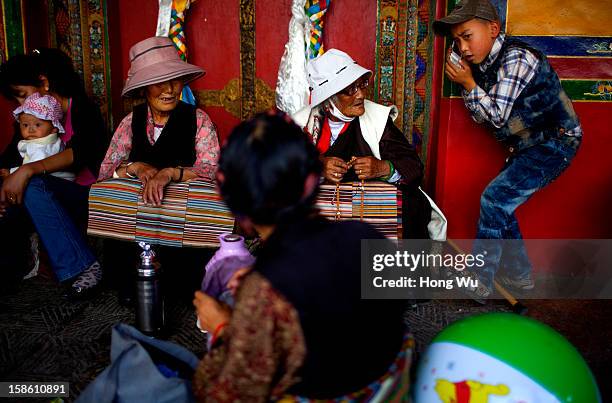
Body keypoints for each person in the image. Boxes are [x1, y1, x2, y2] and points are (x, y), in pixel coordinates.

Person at [192, 112, 411, 401]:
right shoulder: (369, 237)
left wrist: (223, 327)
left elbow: (227, 394)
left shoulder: (265, 292)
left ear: (239, 208)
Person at [433, 0, 582, 299]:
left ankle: (479, 281)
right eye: (456, 41)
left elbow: (497, 115)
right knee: (501, 205)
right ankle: (520, 277)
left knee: (494, 198)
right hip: (527, 144)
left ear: (493, 29)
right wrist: (470, 84)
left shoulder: (517, 58)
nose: (461, 48)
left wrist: (468, 83)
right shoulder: (479, 67)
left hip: (556, 141)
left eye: (467, 35)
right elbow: (484, 118)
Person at [97, 36, 219, 301]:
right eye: (159, 82)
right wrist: (134, 168)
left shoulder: (198, 120)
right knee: (131, 289)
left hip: (184, 229)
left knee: (185, 289)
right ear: (143, 88)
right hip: (138, 229)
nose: (170, 89)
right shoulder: (131, 121)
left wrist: (170, 173)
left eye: (175, 80)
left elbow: (211, 171)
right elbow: (105, 173)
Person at [291, 49, 446, 240]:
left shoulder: (376, 119)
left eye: (362, 85)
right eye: (350, 89)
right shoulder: (301, 124)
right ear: (328, 97)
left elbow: (413, 167)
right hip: (319, 206)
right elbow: (278, 172)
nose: (361, 95)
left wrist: (383, 168)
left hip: (367, 206)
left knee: (413, 203)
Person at [0, 49, 110, 296]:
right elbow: (8, 158)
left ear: (45, 83)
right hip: (42, 198)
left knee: (32, 183)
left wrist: (27, 170)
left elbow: (83, 153)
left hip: (85, 195)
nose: (21, 104)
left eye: (23, 95)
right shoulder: (30, 120)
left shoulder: (81, 109)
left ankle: (84, 265)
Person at [3, 92, 74, 181]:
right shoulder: (46, 140)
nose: (31, 130)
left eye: (37, 125)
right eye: (25, 125)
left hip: (54, 183)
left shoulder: (43, 145)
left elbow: (33, 166)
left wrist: (11, 172)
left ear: (54, 128)